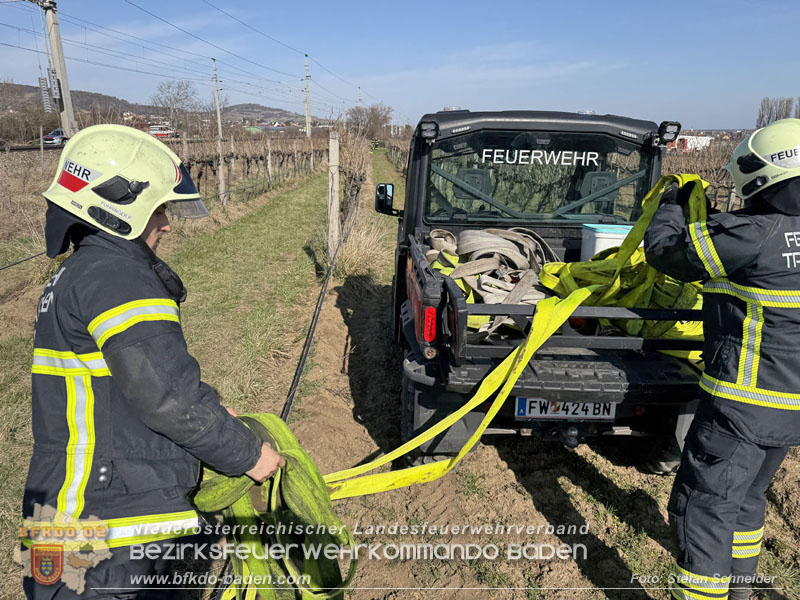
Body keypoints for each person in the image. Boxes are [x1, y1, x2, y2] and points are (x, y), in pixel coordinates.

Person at [22, 124, 284, 598]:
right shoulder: (118, 276)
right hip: (112, 536)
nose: (166, 222)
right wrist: (249, 454)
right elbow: (166, 394)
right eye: (159, 208)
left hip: (70, 514)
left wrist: (215, 413)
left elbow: (123, 384)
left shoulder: (78, 275)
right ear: (120, 206)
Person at [644, 118, 800, 600]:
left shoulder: (753, 234)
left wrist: (673, 209)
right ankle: (743, 589)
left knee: (706, 505)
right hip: (790, 408)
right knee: (749, 498)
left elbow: (668, 254)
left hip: (741, 408)